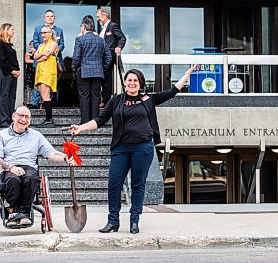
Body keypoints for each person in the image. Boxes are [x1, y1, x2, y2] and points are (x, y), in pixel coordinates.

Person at [69, 64, 198, 234]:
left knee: (138, 185)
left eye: (135, 80)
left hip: (142, 148)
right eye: (129, 80)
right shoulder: (116, 100)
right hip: (121, 148)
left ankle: (134, 221)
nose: (132, 83)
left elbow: (172, 91)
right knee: (113, 184)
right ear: (124, 83)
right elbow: (100, 120)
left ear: (140, 83)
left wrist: (187, 74)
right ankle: (113, 221)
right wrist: (80, 128)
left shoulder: (148, 99)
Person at [0, 106, 76, 224]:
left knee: (31, 178)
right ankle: (13, 212)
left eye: (27, 117)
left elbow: (51, 153)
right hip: (9, 168)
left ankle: (25, 214)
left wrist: (66, 158)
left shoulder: (36, 135)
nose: (23, 119)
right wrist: (12, 168)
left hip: (29, 167)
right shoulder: (1, 135)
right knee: (13, 179)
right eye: (21, 115)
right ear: (13, 117)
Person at [72, 16, 111, 124]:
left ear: (84, 27)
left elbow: (76, 57)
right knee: (96, 96)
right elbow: (108, 57)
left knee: (84, 96)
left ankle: (85, 122)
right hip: (97, 72)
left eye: (81, 26)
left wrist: (75, 70)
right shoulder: (101, 40)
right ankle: (95, 121)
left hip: (83, 71)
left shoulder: (80, 39)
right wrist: (102, 68)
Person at [31, 9, 64, 108]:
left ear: (54, 18)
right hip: (41, 60)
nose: (50, 18)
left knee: (50, 83)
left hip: (52, 61)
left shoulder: (59, 30)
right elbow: (35, 42)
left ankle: (49, 104)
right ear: (44, 18)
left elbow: (62, 44)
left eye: (52, 16)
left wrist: (55, 51)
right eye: (48, 16)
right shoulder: (38, 29)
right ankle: (35, 104)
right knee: (38, 83)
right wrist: (42, 53)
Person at [96, 8, 127, 107]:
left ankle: (105, 101)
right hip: (102, 58)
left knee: (106, 80)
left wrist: (119, 47)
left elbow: (122, 37)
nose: (98, 19)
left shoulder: (112, 26)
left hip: (109, 57)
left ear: (105, 15)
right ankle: (104, 101)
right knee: (103, 79)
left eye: (98, 17)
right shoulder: (102, 29)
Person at [33, 25, 59, 127]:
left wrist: (40, 55)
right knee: (43, 95)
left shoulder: (53, 44)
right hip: (40, 71)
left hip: (48, 71)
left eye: (45, 33)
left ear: (50, 33)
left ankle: (49, 119)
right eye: (42, 33)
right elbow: (35, 57)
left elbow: (46, 55)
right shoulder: (40, 45)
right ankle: (48, 119)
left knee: (45, 95)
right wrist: (40, 56)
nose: (43, 34)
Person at [0, 23, 20, 128]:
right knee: (5, 95)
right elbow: (2, 59)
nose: (13, 31)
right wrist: (11, 70)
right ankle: (4, 119)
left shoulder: (10, 44)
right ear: (5, 30)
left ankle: (11, 117)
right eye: (12, 29)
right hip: (6, 71)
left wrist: (17, 70)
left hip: (13, 72)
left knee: (12, 96)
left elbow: (14, 59)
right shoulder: (0, 43)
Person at [24, 41, 36, 107]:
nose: (32, 46)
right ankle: (28, 103)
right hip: (30, 72)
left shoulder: (38, 53)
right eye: (31, 45)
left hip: (36, 72)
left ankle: (37, 103)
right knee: (29, 88)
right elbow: (27, 60)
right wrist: (36, 61)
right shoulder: (28, 53)